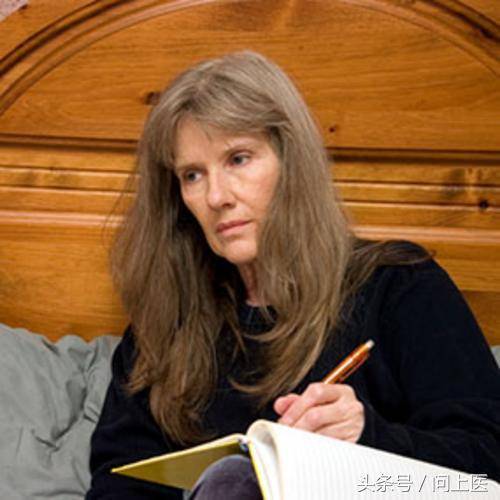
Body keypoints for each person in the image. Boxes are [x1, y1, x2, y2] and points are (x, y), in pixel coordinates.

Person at [86, 51, 500, 499]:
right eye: (192, 175)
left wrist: (369, 438)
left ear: (291, 161)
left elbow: (488, 466)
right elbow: (116, 482)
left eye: (238, 159)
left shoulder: (401, 286)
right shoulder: (169, 317)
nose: (216, 196)